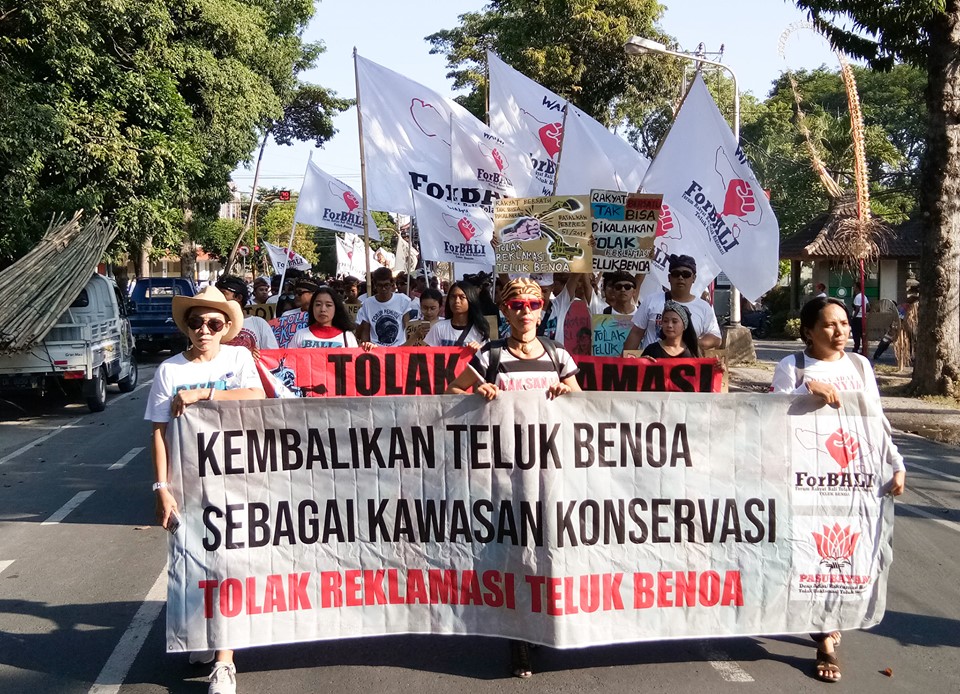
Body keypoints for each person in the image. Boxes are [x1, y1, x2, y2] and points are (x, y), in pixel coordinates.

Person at [446, 278, 579, 678]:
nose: (525, 311)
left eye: (533, 304)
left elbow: (583, 401)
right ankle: (518, 641)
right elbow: (451, 389)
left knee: (548, 551)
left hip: (550, 472)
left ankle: (542, 627)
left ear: (542, 310)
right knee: (512, 556)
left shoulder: (558, 355)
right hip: (502, 474)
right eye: (517, 305)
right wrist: (477, 391)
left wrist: (565, 390)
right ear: (505, 311)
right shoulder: (490, 355)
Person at [769, 296, 905, 684]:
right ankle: (822, 632)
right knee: (808, 550)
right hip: (804, 477)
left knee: (848, 552)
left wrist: (896, 463)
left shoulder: (861, 366)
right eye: (829, 325)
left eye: (844, 324)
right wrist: (804, 391)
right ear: (809, 332)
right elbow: (766, 416)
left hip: (855, 481)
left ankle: (827, 628)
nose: (840, 331)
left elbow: (877, 421)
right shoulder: (792, 367)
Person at [144, 285, 265, 694]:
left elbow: (257, 396)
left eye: (214, 323)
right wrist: (162, 487)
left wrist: (205, 393)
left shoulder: (239, 358)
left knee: (229, 564)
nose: (204, 330)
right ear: (187, 329)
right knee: (196, 563)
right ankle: (204, 635)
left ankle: (224, 663)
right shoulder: (169, 370)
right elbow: (159, 432)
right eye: (196, 323)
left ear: (227, 326)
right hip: (189, 484)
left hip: (236, 480)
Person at [623, 254, 722, 353]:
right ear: (669, 278)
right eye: (676, 274)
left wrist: (690, 344)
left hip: (686, 364)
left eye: (686, 274)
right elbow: (636, 333)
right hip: (652, 364)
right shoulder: (651, 300)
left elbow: (716, 338)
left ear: (694, 278)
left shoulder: (703, 307)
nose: (680, 277)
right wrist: (625, 363)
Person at [290, 286, 373, 350]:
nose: (323, 309)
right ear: (312, 308)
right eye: (318, 304)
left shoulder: (347, 336)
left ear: (336, 308)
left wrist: (366, 348)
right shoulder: (300, 335)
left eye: (328, 305)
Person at [215, 275, 278, 353]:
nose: (217, 297)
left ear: (238, 297)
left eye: (223, 293)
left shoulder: (259, 323)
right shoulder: (212, 324)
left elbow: (273, 356)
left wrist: (254, 357)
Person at [424, 282, 488, 352]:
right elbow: (427, 356)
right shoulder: (438, 328)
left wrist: (478, 352)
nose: (456, 301)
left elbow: (487, 359)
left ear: (470, 299)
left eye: (462, 297)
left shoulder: (480, 331)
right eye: (453, 297)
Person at [356, 266, 412, 347]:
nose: (384, 289)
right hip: (376, 350)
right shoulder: (368, 303)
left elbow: (408, 328)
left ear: (392, 284)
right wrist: (365, 345)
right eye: (380, 285)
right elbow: (365, 330)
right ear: (375, 285)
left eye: (386, 285)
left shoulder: (403, 300)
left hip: (398, 349)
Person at [851, 282, 869, 353]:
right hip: (863, 318)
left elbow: (857, 308)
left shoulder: (858, 297)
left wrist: (853, 317)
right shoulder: (864, 296)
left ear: (857, 288)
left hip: (857, 318)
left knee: (856, 334)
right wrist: (864, 312)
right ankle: (863, 349)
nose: (854, 288)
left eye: (854, 287)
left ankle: (856, 348)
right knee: (862, 334)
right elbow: (868, 306)